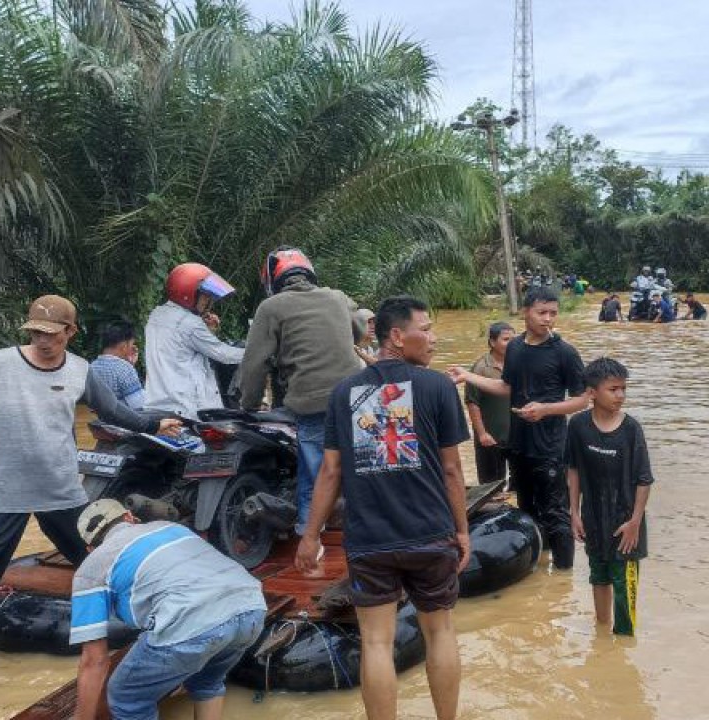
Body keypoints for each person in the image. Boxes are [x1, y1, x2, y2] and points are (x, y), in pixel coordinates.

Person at [0, 295, 181, 708]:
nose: (43, 340)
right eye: (35, 333)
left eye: (51, 333)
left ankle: (160, 631)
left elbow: (114, 411)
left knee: (108, 566)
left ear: (69, 332)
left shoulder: (81, 371)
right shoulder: (0, 363)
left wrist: (155, 422)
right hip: (5, 496)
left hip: (62, 492)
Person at [296, 295, 471, 720]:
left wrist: (310, 535)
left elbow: (330, 472)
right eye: (425, 329)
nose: (433, 338)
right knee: (440, 632)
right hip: (430, 532)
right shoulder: (438, 387)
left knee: (375, 642)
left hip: (370, 539)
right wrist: (462, 531)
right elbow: (451, 470)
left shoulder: (343, 393)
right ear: (396, 336)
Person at [70, 499, 266, 720]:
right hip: (252, 607)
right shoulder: (173, 528)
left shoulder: (90, 568)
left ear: (90, 549)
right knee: (207, 680)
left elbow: (94, 660)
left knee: (127, 696)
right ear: (129, 518)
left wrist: (81, 717)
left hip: (192, 622)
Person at [449, 286, 588, 569]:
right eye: (541, 312)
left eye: (553, 313)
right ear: (525, 312)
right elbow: (506, 387)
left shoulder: (564, 352)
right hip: (519, 444)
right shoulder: (515, 347)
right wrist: (467, 376)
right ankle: (535, 564)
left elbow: (584, 399)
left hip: (550, 446)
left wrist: (545, 409)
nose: (548, 319)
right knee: (525, 507)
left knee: (556, 513)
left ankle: (562, 578)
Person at [239, 247, 364, 534]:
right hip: (357, 397)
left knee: (316, 472)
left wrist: (250, 403)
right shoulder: (336, 297)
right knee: (360, 463)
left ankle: (310, 532)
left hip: (311, 401)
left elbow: (254, 363)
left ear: (273, 281)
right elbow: (358, 328)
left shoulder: (271, 308)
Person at [566, 358, 654, 636]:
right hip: (593, 519)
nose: (620, 396)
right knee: (598, 577)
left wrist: (635, 522)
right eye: (613, 389)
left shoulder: (631, 429)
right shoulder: (578, 426)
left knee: (624, 591)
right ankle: (601, 638)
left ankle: (624, 643)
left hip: (626, 524)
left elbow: (644, 480)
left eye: (623, 389)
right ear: (591, 393)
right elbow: (574, 470)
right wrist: (575, 513)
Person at [144, 263, 244, 418]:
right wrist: (259, 351)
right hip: (189, 408)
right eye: (205, 295)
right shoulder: (190, 323)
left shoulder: (157, 315)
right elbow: (225, 355)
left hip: (158, 403)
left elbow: (182, 348)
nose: (208, 301)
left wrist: (206, 330)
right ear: (187, 292)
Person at [466, 322, 515, 489]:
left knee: (520, 484)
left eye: (513, 339)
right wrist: (482, 434)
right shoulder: (480, 368)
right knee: (490, 488)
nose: (511, 343)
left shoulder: (517, 365)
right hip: (490, 438)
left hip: (516, 437)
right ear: (493, 342)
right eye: (506, 339)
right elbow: (472, 403)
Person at [90, 320, 146, 411]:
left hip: (100, 421)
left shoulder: (91, 367)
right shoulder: (124, 369)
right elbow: (138, 405)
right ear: (124, 346)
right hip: (122, 423)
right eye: (131, 344)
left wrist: (130, 365)